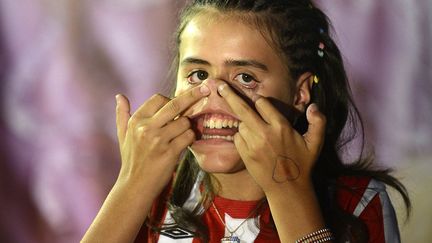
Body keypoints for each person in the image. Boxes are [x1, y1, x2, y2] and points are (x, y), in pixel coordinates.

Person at [82, 0, 410, 242]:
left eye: (245, 77)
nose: (214, 95)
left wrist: (288, 190)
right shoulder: (153, 196)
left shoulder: (359, 202)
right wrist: (131, 185)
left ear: (299, 94)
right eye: (198, 74)